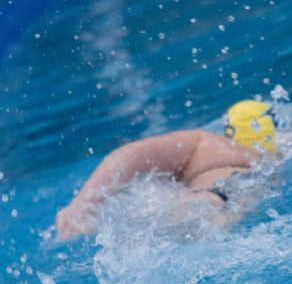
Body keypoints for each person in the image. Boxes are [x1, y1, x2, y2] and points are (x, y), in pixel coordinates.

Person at [56, 99, 277, 239]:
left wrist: (80, 208)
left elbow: (129, 155)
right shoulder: (270, 164)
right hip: (237, 197)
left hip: (212, 197)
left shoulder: (206, 142)